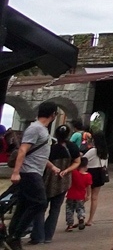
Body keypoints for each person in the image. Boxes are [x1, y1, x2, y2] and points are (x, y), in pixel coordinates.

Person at [9, 100, 57, 248]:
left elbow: (39, 154)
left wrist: (52, 167)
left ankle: (12, 235)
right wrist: (16, 172)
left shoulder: (42, 130)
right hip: (30, 172)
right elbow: (23, 150)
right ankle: (16, 235)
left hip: (34, 171)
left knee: (23, 204)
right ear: (53, 114)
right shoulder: (35, 128)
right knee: (40, 202)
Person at [43, 123, 81, 240]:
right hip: (63, 181)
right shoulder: (73, 147)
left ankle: (38, 234)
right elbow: (77, 162)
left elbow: (43, 160)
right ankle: (48, 235)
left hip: (48, 179)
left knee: (41, 207)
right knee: (55, 209)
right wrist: (67, 170)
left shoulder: (50, 146)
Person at [80, 131, 106, 228]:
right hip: (100, 173)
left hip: (90, 172)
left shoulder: (93, 151)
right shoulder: (105, 152)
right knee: (95, 198)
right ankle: (90, 219)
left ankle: (80, 216)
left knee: (84, 195)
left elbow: (84, 159)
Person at [64, 164, 91, 232]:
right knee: (80, 208)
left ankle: (70, 225)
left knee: (69, 209)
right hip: (81, 196)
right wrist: (88, 195)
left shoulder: (74, 172)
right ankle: (81, 218)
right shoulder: (88, 176)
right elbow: (88, 187)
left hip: (71, 195)